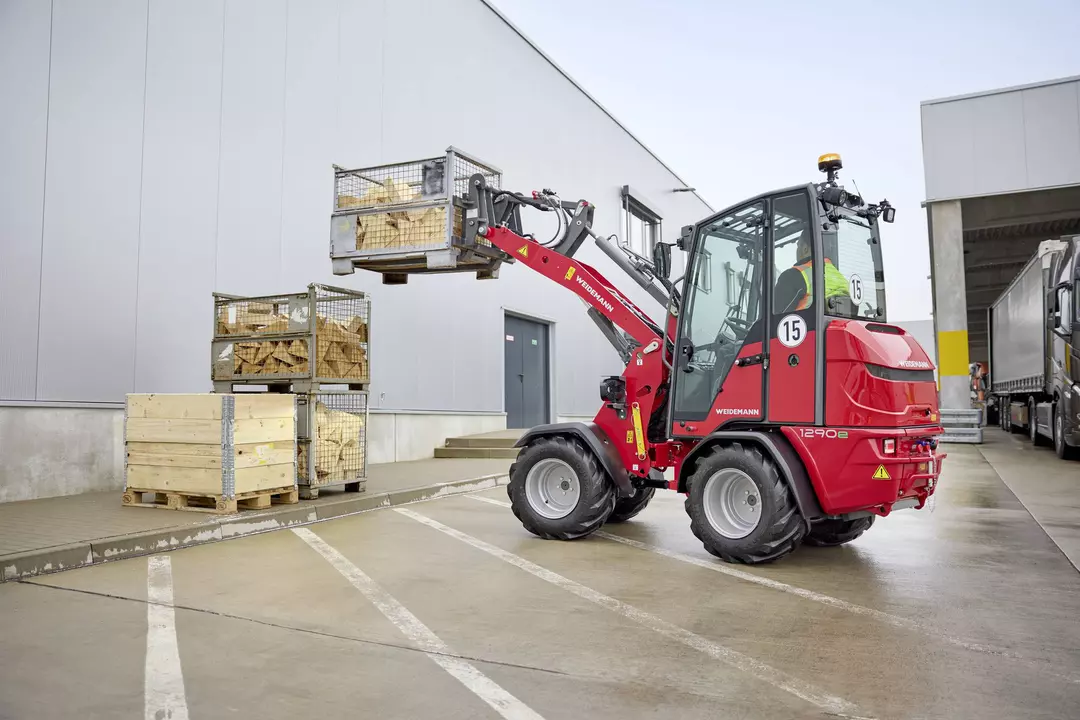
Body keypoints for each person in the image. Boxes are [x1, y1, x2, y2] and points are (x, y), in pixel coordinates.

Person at [774, 230, 848, 313]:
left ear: (805, 249)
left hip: (807, 325)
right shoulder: (841, 279)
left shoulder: (793, 276)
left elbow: (775, 315)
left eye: (798, 245)